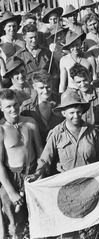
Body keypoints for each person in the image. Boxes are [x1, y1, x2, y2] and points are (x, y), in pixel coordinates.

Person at [26, 91, 99, 238]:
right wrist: (37, 174)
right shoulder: (57, 134)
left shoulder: (91, 131)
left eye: (79, 112)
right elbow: (45, 159)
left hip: (91, 186)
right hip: (68, 190)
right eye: (71, 112)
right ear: (64, 113)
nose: (76, 116)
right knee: (69, 231)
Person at [0, 89, 42, 239]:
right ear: (1, 108)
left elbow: (40, 152)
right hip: (12, 177)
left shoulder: (30, 123)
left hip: (32, 174)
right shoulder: (1, 130)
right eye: (9, 106)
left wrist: (39, 174)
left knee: (37, 219)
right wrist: (11, 191)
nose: (13, 109)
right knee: (14, 225)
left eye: (16, 105)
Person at [20, 70, 63, 145]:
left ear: (52, 84)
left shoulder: (61, 101)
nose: (45, 91)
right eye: (41, 88)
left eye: (48, 87)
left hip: (59, 145)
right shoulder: (27, 107)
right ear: (34, 87)